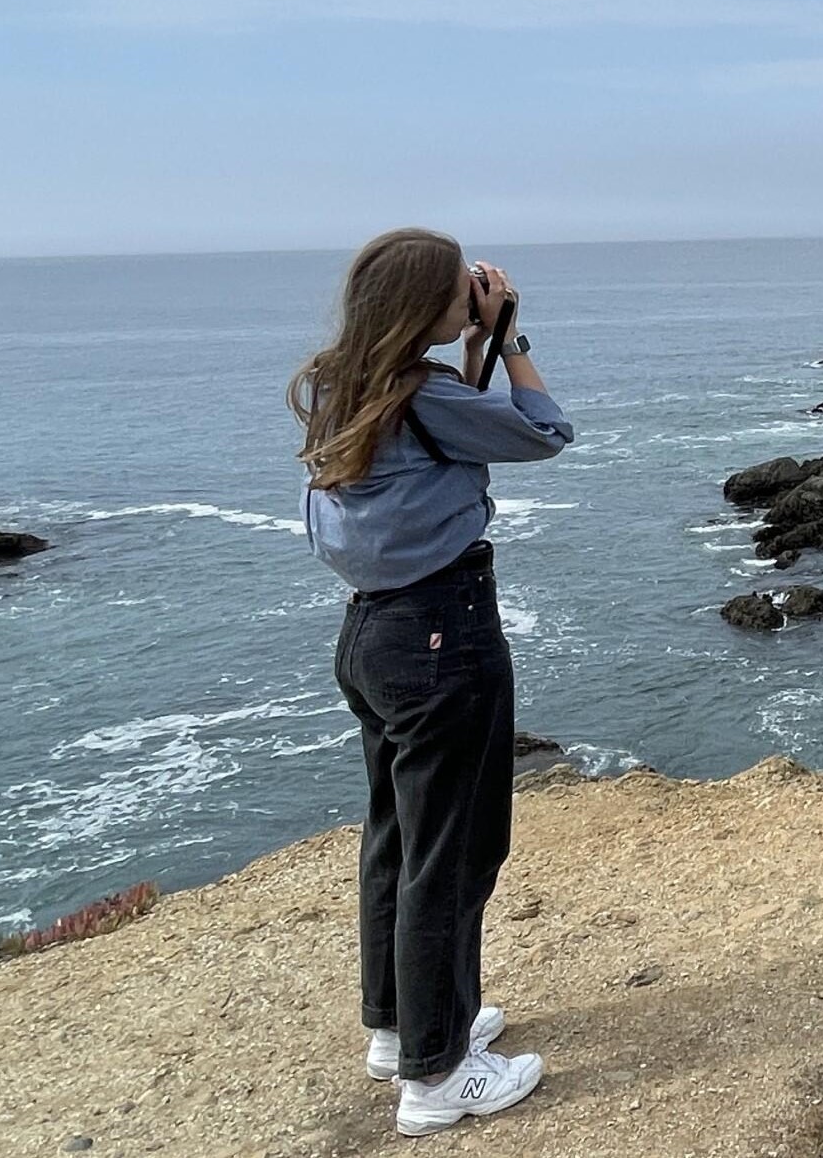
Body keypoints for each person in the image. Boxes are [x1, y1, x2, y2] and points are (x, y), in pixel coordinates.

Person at [288, 229, 574, 1137]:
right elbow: (546, 431)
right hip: (444, 633)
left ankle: (402, 1027)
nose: (475, 295)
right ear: (423, 304)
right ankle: (437, 1075)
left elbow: (439, 437)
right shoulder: (426, 391)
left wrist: (470, 353)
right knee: (453, 852)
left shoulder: (343, 382)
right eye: (463, 288)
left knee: (398, 838)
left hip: (374, 632)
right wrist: (513, 340)